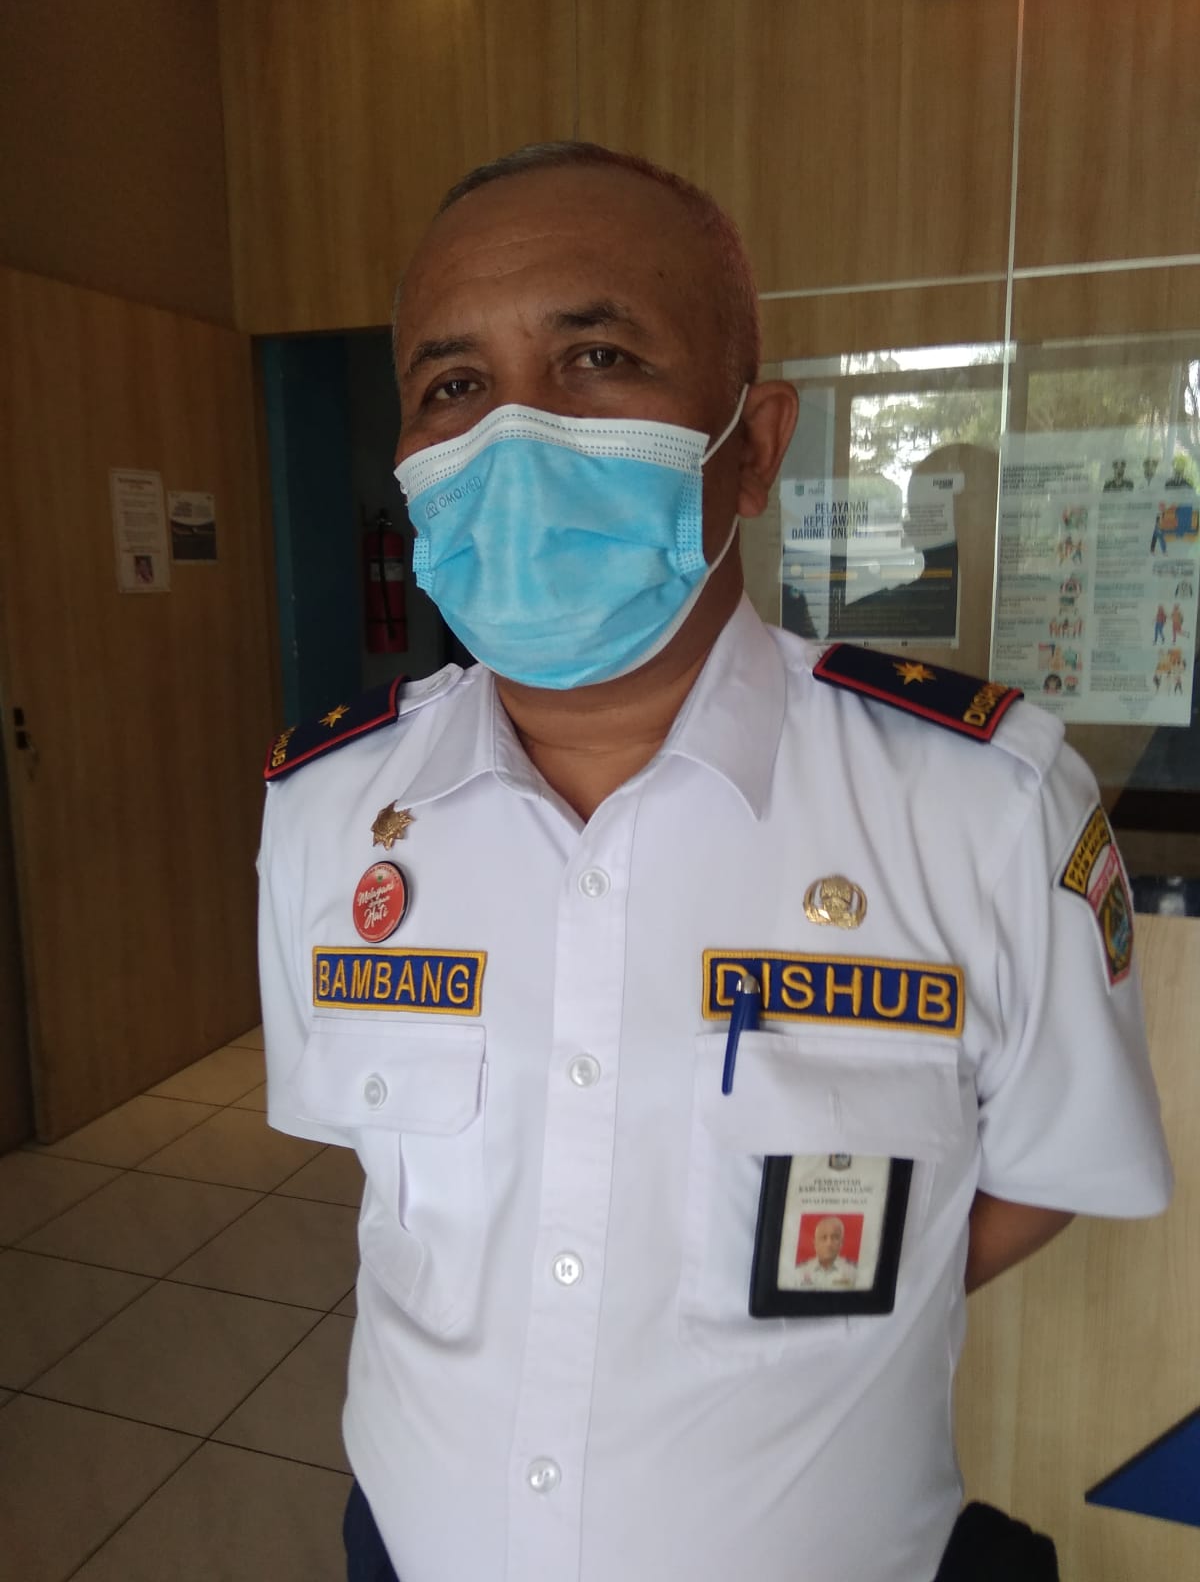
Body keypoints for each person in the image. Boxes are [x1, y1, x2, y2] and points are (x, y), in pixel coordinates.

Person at [257, 141, 1172, 1582]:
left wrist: (838, 1320)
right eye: (455, 385)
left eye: (597, 358)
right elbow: (396, 1189)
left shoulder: (983, 804)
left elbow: (1046, 1168)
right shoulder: (328, 806)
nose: (515, 435)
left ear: (754, 445)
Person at [796, 1215, 858, 1288]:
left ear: (842, 1242)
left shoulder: (854, 1271)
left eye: (835, 1237)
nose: (829, 1244)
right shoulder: (799, 1271)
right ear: (815, 1243)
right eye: (823, 1237)